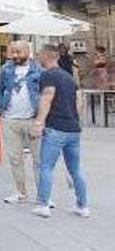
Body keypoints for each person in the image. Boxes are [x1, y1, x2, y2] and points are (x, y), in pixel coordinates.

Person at [32, 44, 90, 218]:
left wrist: (39, 122)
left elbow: (47, 98)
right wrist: (74, 117)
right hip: (73, 128)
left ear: (47, 56)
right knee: (75, 169)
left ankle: (43, 204)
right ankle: (83, 205)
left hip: (55, 128)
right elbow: (79, 100)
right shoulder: (68, 76)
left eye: (39, 54)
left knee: (46, 166)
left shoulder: (48, 75)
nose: (38, 57)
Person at [0, 41, 43, 205]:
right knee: (15, 158)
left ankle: (43, 195)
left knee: (39, 159)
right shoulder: (6, 69)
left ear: (28, 52)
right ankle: (21, 192)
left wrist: (42, 117)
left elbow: (45, 92)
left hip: (32, 119)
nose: (15, 56)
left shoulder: (38, 70)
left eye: (18, 52)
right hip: (10, 118)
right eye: (13, 52)